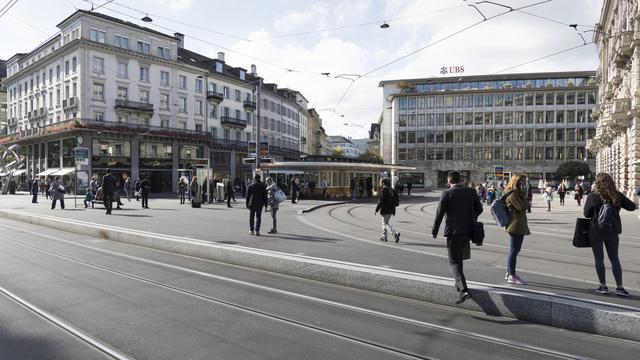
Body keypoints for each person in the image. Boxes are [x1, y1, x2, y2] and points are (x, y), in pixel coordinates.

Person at [432, 171, 482, 304]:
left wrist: (435, 231)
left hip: (453, 232)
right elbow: (480, 209)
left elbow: (439, 214)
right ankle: (459, 284)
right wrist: (471, 218)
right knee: (459, 259)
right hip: (468, 231)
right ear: (460, 180)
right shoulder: (470, 191)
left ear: (449, 181)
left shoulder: (447, 193)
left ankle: (463, 290)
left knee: (454, 261)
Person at [583, 173, 636, 297]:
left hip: (596, 230)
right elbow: (632, 207)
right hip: (612, 231)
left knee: (599, 258)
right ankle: (620, 287)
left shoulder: (592, 196)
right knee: (614, 259)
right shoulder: (616, 195)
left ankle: (603, 286)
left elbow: (586, 214)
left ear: (597, 183)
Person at [504, 173, 530, 285]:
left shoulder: (518, 193)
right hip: (515, 226)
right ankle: (512, 275)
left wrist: (524, 193)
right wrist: (525, 194)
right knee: (514, 251)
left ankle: (509, 272)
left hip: (519, 224)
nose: (525, 183)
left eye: (525, 181)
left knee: (515, 250)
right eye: (523, 181)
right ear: (517, 182)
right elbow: (523, 207)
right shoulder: (513, 194)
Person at [375, 177, 400, 243]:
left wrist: (376, 209)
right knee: (385, 223)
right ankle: (384, 237)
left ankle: (395, 234)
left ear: (383, 182)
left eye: (380, 181)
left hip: (385, 209)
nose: (379, 183)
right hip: (391, 209)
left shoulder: (383, 190)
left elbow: (381, 201)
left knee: (385, 224)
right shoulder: (391, 189)